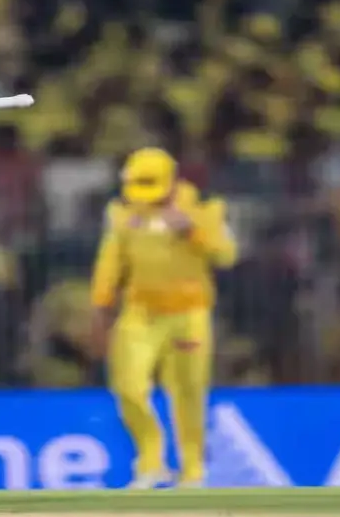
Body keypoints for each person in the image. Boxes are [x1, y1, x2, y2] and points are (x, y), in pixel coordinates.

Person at [89, 147, 238, 489]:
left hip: (189, 313)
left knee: (187, 392)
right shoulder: (122, 211)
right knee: (128, 386)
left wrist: (192, 230)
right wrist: (101, 302)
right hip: (140, 312)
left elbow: (226, 254)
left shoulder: (203, 207)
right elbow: (111, 260)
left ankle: (192, 470)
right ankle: (151, 463)